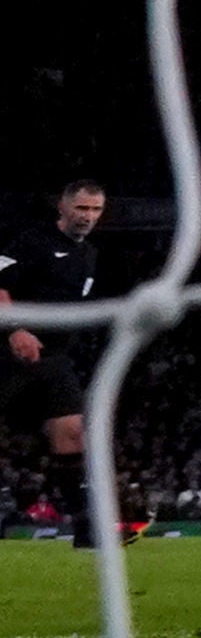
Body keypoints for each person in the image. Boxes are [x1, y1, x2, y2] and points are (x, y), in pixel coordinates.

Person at [0, 181, 107, 548]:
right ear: (62, 206)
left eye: (95, 210)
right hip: (11, 350)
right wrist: (15, 329)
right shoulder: (31, 242)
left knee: (73, 433)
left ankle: (85, 528)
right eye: (82, 208)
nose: (88, 217)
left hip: (54, 359)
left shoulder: (89, 254)